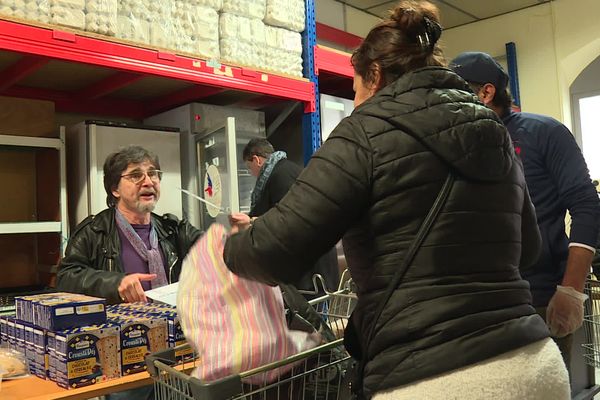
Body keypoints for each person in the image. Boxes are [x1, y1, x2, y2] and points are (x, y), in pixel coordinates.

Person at [224, 1, 569, 399]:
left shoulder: (363, 132)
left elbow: (270, 252)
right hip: (535, 364)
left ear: (374, 75)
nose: (355, 102)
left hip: (434, 377)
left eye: (355, 89)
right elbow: (528, 249)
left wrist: (231, 244)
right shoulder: (493, 130)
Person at [451, 51, 600, 371]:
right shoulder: (458, 145)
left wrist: (571, 291)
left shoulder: (543, 132)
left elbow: (586, 205)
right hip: (477, 305)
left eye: (454, 92)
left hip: (539, 298)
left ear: (486, 92)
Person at [57, 145, 202, 304]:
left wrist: (233, 238)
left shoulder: (173, 229)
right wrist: (115, 283)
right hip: (119, 326)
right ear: (115, 190)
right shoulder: (94, 231)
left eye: (152, 174)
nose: (148, 182)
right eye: (135, 175)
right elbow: (66, 278)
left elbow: (215, 248)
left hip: (172, 324)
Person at [229, 138, 339, 294]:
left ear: (256, 160)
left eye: (249, 167)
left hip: (309, 272)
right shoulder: (285, 170)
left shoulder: (281, 176)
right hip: (311, 266)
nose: (251, 173)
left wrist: (251, 221)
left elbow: (286, 219)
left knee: (305, 316)